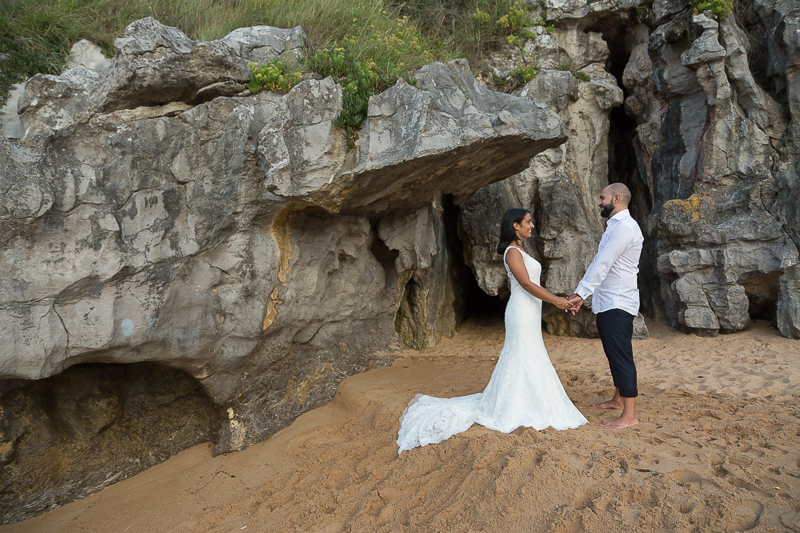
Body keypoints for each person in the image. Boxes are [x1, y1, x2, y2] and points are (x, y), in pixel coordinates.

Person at [396, 208, 587, 454]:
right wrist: (557, 301)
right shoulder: (512, 252)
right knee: (522, 354)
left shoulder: (522, 250)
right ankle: (517, 405)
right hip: (520, 312)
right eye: (528, 222)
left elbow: (534, 284)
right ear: (515, 226)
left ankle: (531, 400)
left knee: (531, 354)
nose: (532, 225)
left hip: (530, 312)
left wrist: (562, 299)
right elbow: (527, 284)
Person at [567, 183, 643, 429]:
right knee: (614, 354)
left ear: (617, 198)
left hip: (618, 303)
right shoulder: (616, 227)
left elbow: (603, 263)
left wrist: (580, 293)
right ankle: (619, 400)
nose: (599, 202)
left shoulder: (625, 229)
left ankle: (629, 416)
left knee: (621, 356)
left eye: (602, 198)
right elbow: (602, 262)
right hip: (608, 301)